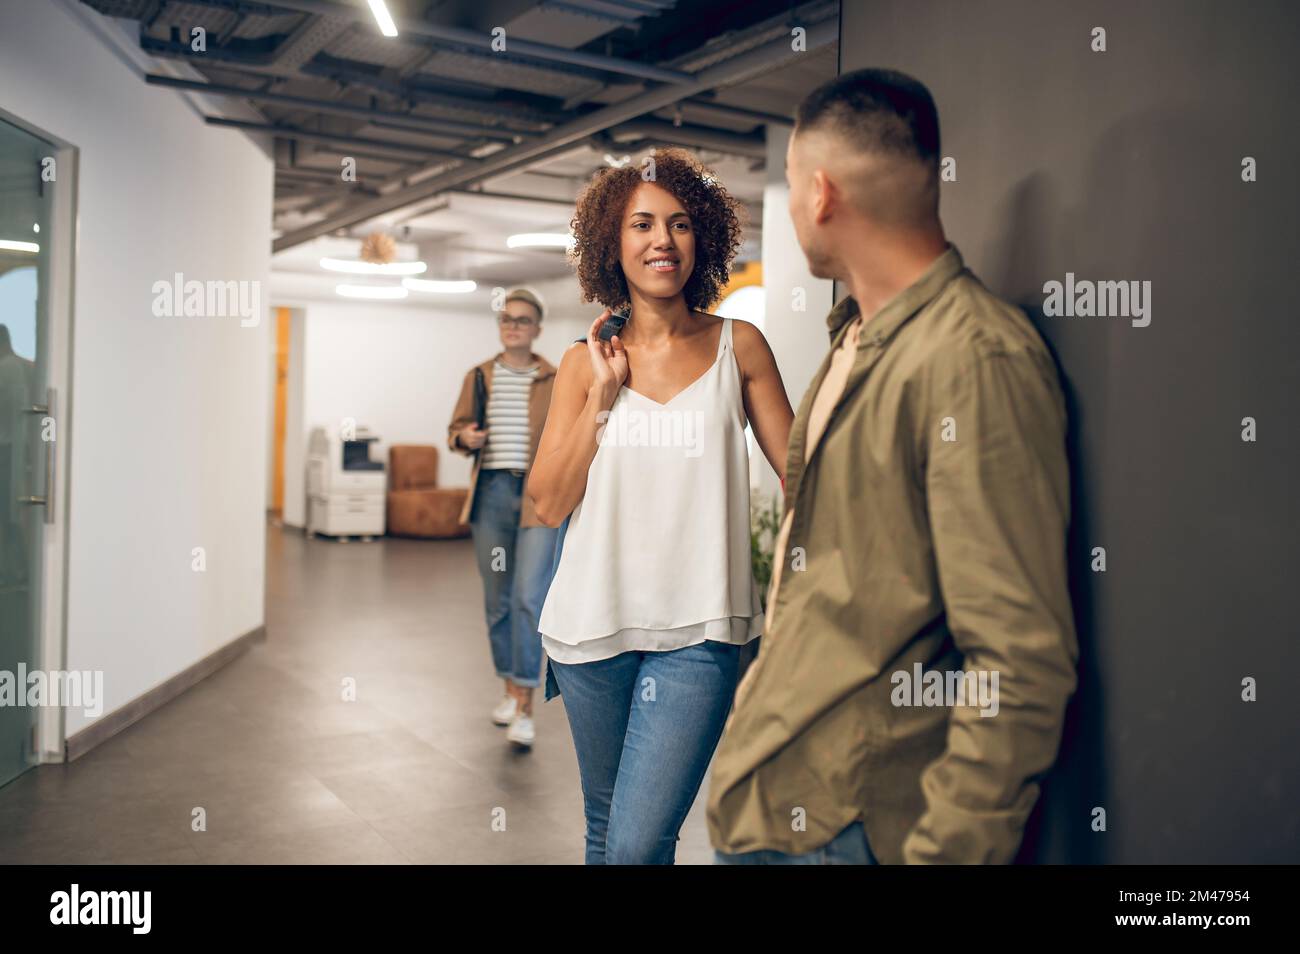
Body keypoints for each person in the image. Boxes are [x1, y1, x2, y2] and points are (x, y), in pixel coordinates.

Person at [708, 68, 1079, 865]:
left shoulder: (974, 358)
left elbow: (1017, 661)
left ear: (822, 193)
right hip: (779, 792)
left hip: (856, 821)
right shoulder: (853, 337)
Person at [528, 148, 794, 864]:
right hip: (591, 630)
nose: (661, 241)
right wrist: (603, 399)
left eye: (679, 225)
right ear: (613, 245)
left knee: (639, 842)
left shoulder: (742, 348)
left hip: (700, 634)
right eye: (641, 225)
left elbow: (805, 477)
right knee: (606, 830)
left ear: (699, 238)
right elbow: (548, 503)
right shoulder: (584, 364)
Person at [447, 288, 558, 748]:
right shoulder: (479, 375)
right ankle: (509, 690)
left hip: (536, 497)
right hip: (491, 495)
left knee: (530, 599)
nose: (513, 326)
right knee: (498, 600)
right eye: (507, 319)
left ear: (537, 329)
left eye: (523, 320)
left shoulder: (555, 377)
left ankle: (526, 707)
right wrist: (464, 439)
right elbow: (455, 430)